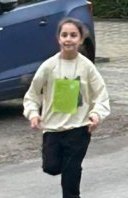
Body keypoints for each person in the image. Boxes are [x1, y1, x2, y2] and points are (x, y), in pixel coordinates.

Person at [23, 18, 111, 198]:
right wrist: (33, 114)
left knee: (71, 175)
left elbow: (101, 95)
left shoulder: (87, 67)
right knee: (51, 167)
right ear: (58, 39)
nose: (68, 39)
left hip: (79, 128)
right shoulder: (49, 66)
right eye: (64, 35)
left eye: (73, 35)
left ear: (81, 39)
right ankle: (67, 166)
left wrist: (96, 115)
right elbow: (32, 95)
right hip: (52, 128)